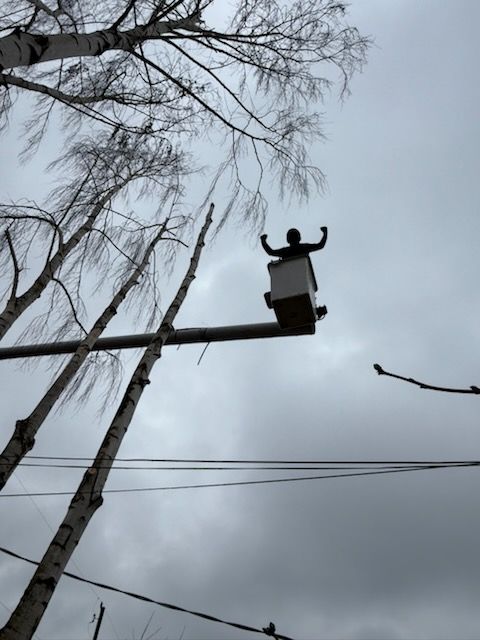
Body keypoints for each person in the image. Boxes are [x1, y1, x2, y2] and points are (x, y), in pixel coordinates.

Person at [260, 226, 328, 259]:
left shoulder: (304, 247)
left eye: (294, 235)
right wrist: (263, 241)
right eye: (291, 236)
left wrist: (325, 233)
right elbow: (270, 252)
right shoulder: (285, 250)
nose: (293, 238)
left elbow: (320, 245)